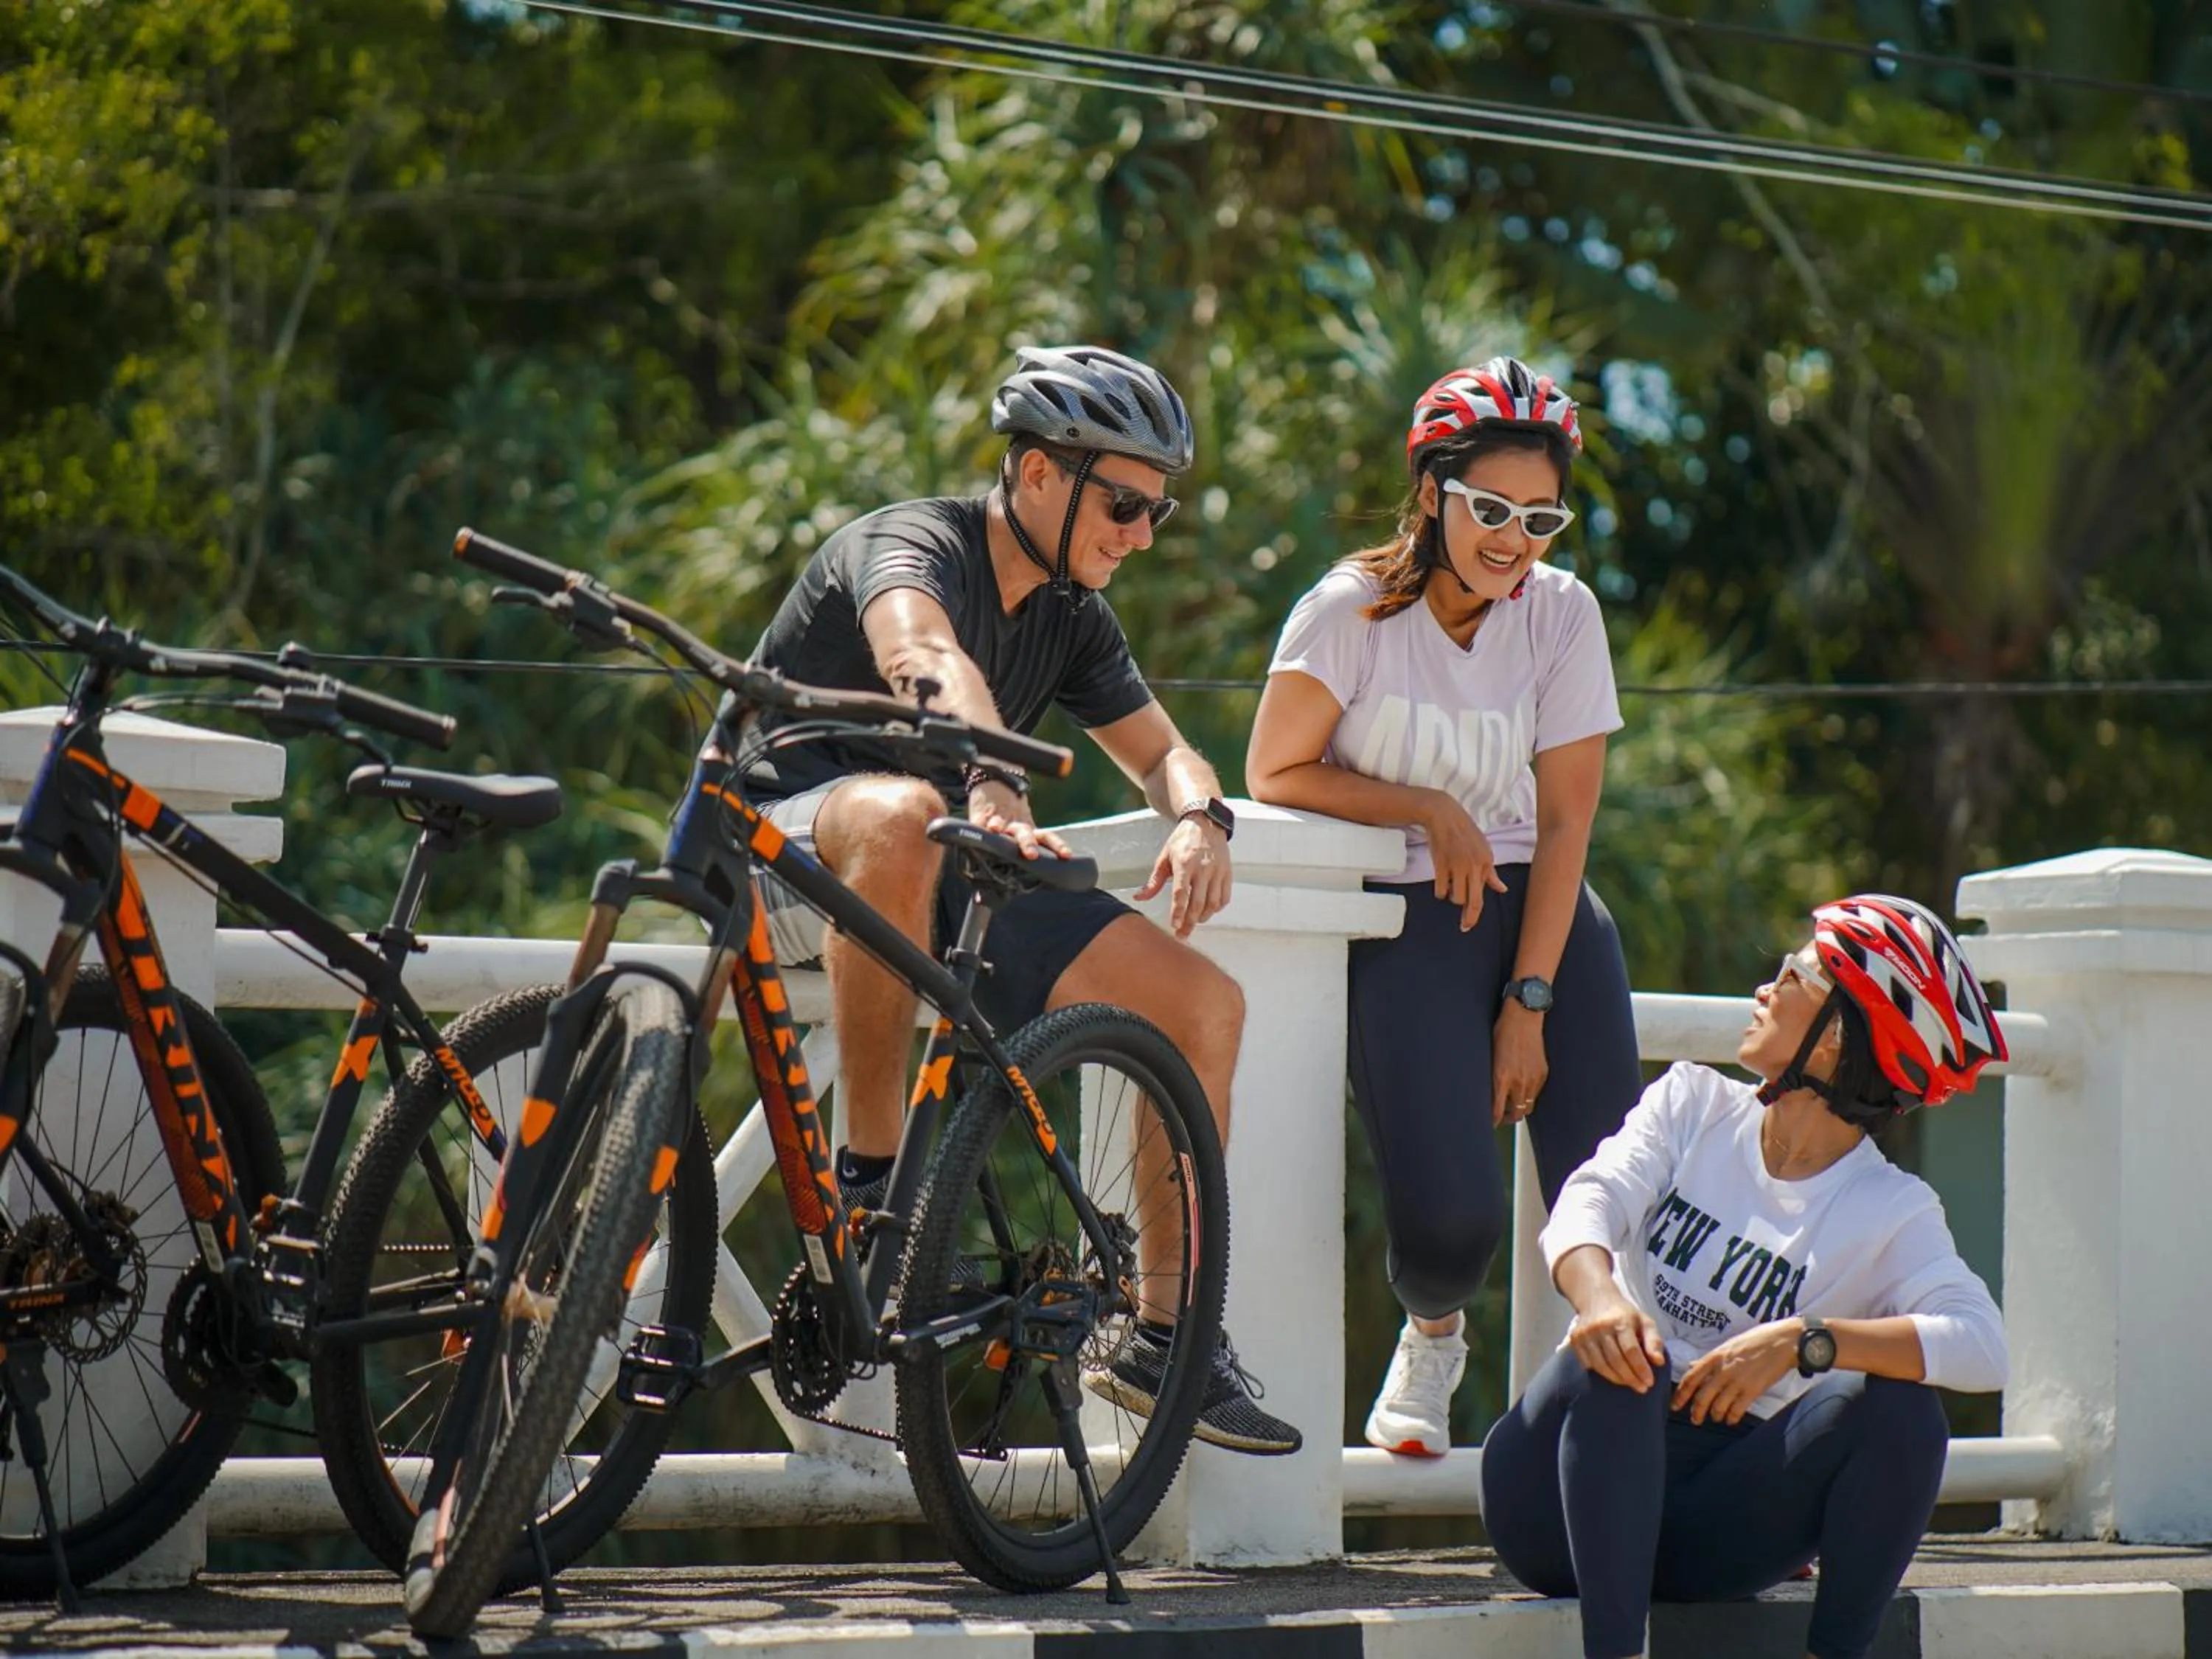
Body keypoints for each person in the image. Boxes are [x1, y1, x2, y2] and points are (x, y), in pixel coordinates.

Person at [700, 343, 1298, 1455]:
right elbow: (923, 654)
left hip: (946, 860)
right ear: (1036, 474)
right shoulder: (907, 545)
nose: (1141, 533)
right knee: (893, 813)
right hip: (784, 853)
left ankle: (1169, 1337)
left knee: (1205, 1005)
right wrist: (992, 773)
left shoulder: (1072, 615)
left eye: (1159, 512)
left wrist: (1197, 816)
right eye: (1124, 502)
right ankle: (873, 1197)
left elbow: (1167, 751)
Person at [1245, 357, 1640, 1457]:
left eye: (1543, 516)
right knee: (1451, 1231)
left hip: (1546, 920)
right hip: (1411, 919)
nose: (1515, 539)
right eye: (1491, 509)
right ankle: (1434, 1334)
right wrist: (1425, 808)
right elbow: (1275, 770)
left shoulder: (1561, 615)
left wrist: (1530, 999)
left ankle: (1662, 1437)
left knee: (1612, 1209)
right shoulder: (1349, 612)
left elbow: (1565, 826)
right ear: (1432, 492)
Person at [1479, 895, 2010, 1659]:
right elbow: (1589, 1199)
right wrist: (1600, 1299)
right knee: (1626, 1360)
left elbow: (1982, 1346)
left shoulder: (1891, 1210)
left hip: (1707, 1529)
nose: (1765, 989)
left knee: (1903, 1414)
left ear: (1834, 1040)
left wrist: (1808, 1342)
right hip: (1557, 1499)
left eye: (1793, 976)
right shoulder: (1692, 1102)